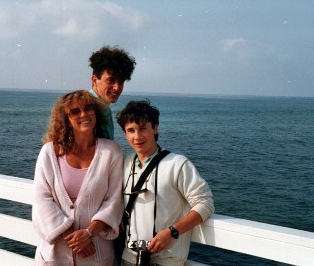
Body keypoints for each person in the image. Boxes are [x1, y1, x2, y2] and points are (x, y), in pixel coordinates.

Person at [116, 100, 215, 266]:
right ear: (125, 134)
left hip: (166, 261)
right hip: (128, 258)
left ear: (155, 128)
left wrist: (172, 232)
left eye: (142, 128)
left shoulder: (177, 163)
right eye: (130, 130)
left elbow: (205, 204)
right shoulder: (124, 164)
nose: (137, 136)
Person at [32, 90, 124, 265]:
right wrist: (74, 239)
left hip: (96, 254)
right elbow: (41, 200)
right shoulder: (50, 152)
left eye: (88, 108)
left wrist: (89, 233)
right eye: (75, 111)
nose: (83, 114)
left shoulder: (111, 152)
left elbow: (114, 200)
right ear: (66, 119)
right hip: (55, 255)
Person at [88, 45, 136, 140]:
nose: (117, 88)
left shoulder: (103, 108)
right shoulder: (86, 109)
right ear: (94, 80)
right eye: (111, 80)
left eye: (121, 82)